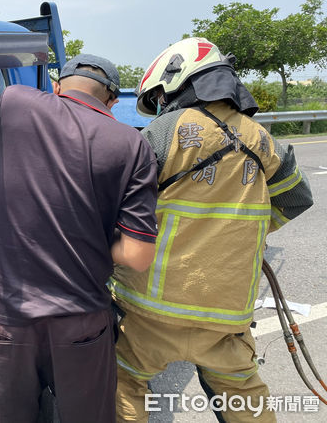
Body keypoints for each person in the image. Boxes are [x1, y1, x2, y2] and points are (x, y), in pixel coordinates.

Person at [111, 37, 314, 422]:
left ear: (176, 79)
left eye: (157, 98)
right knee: (245, 401)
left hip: (150, 310)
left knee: (126, 388)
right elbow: (296, 199)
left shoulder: (164, 130)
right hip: (225, 316)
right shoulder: (262, 138)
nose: (158, 106)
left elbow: (118, 203)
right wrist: (244, 232)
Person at [0, 54, 159, 423]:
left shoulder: (14, 102)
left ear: (57, 87)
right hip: (81, 318)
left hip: (7, 314)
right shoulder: (133, 145)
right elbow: (137, 255)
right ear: (111, 102)